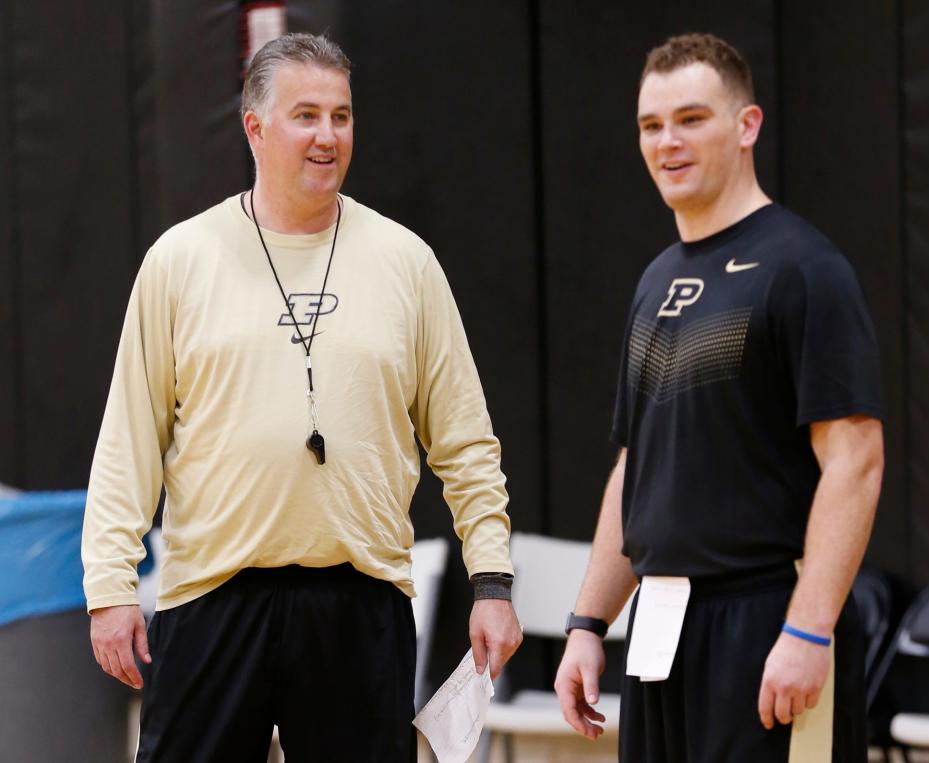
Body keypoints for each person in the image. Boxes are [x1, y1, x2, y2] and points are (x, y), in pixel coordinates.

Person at [82, 32, 522, 762]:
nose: (328, 136)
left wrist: (494, 580)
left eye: (342, 116)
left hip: (360, 604)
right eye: (306, 115)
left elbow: (467, 441)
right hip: (211, 600)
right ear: (255, 128)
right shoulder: (180, 261)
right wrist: (109, 586)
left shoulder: (407, 263)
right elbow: (129, 439)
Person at [554, 32, 884, 762]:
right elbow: (636, 467)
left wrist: (807, 629)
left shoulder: (804, 269)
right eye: (650, 125)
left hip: (768, 620)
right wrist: (588, 622)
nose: (667, 141)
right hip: (662, 624)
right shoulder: (653, 283)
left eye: (691, 118)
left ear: (747, 126)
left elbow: (855, 459)